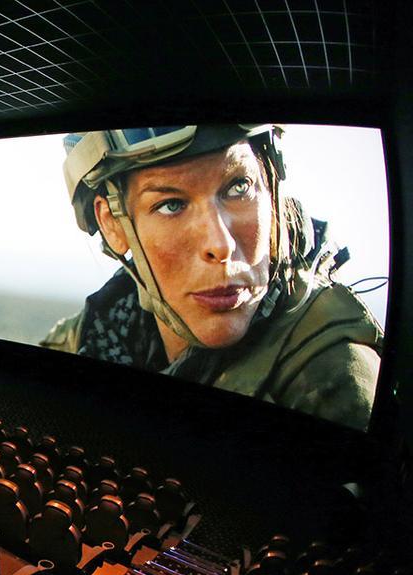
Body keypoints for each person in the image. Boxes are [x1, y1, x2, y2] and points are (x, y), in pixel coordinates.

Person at [42, 125, 383, 430]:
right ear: (112, 224)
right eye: (171, 205)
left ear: (272, 191)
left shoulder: (331, 377)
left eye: (239, 187)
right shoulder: (83, 344)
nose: (220, 245)